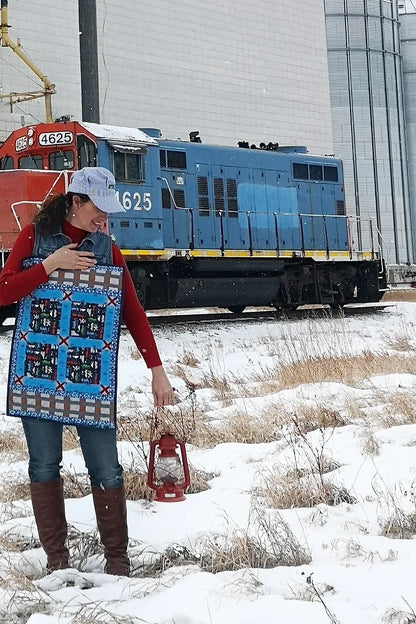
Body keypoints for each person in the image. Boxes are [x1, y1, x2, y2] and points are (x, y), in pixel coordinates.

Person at [0, 166, 174, 576]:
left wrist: (157, 369)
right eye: (98, 208)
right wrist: (51, 264)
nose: (104, 218)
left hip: (90, 376)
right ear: (75, 202)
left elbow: (131, 307)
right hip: (38, 373)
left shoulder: (105, 246)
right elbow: (4, 290)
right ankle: (57, 563)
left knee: (106, 467)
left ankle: (118, 563)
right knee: (44, 465)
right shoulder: (35, 237)